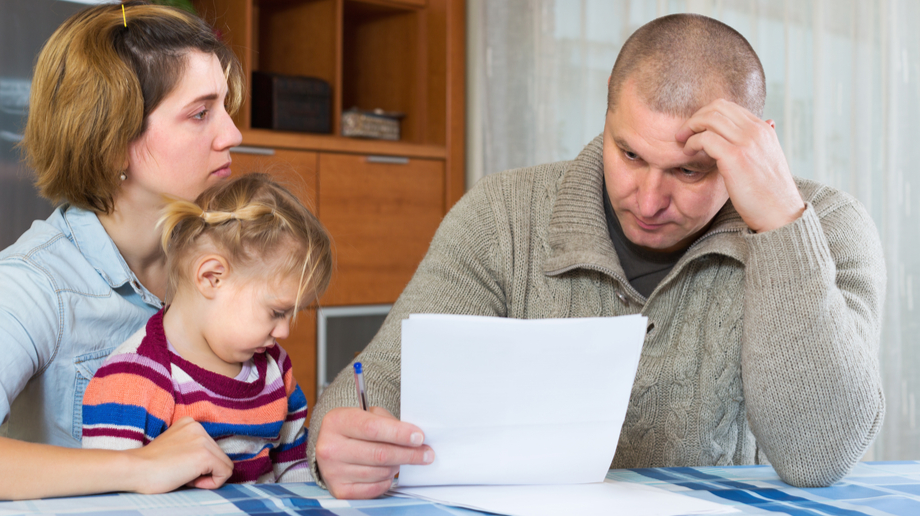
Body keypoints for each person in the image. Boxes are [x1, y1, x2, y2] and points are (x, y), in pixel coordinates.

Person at [307, 13, 886, 499]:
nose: (651, 200)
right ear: (606, 119)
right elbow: (371, 389)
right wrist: (340, 442)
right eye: (630, 154)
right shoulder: (502, 214)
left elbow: (820, 456)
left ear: (755, 144)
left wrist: (783, 224)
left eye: (690, 170)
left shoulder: (829, 228)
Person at [0, 2, 249, 502]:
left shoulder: (226, 255)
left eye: (224, 107)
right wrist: (132, 467)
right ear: (112, 142)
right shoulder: (39, 283)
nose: (232, 134)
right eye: (200, 113)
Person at [80, 173, 333, 484]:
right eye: (276, 312)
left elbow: (295, 468)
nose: (283, 331)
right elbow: (110, 491)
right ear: (212, 277)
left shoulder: (275, 369)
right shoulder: (132, 380)